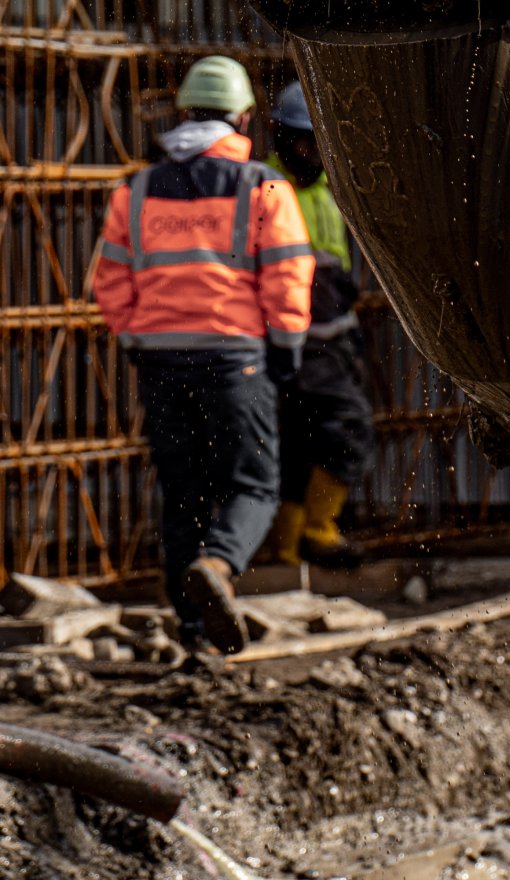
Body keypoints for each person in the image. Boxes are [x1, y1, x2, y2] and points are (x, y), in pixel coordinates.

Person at [93, 56, 314, 654]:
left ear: (185, 112)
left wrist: (140, 338)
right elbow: (288, 278)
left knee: (183, 494)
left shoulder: (135, 190)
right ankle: (218, 567)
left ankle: (192, 634)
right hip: (234, 361)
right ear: (242, 117)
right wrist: (286, 351)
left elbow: (110, 283)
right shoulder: (264, 186)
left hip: (161, 366)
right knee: (255, 486)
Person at [264, 81, 376, 569]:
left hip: (332, 343)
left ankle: (289, 552)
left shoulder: (330, 190)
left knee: (302, 444)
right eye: (302, 141)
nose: (311, 152)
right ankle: (315, 532)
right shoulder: (264, 187)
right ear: (283, 138)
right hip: (293, 344)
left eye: (318, 142)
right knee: (348, 432)